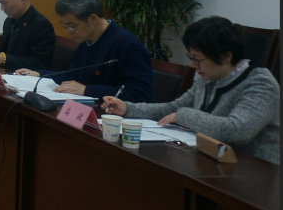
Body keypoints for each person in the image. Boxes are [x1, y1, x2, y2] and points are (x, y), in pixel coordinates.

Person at [104, 17, 279, 163]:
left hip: (254, 172)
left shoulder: (260, 84)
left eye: (197, 59)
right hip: (210, 160)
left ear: (226, 56)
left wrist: (184, 116)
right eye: (191, 57)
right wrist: (128, 108)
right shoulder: (211, 76)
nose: (193, 65)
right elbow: (172, 109)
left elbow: (238, 131)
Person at [15, 0, 154, 103]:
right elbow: (74, 74)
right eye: (65, 26)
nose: (68, 32)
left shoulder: (127, 44)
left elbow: (141, 94)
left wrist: (87, 90)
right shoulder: (86, 39)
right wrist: (40, 74)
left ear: (92, 19)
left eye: (72, 26)